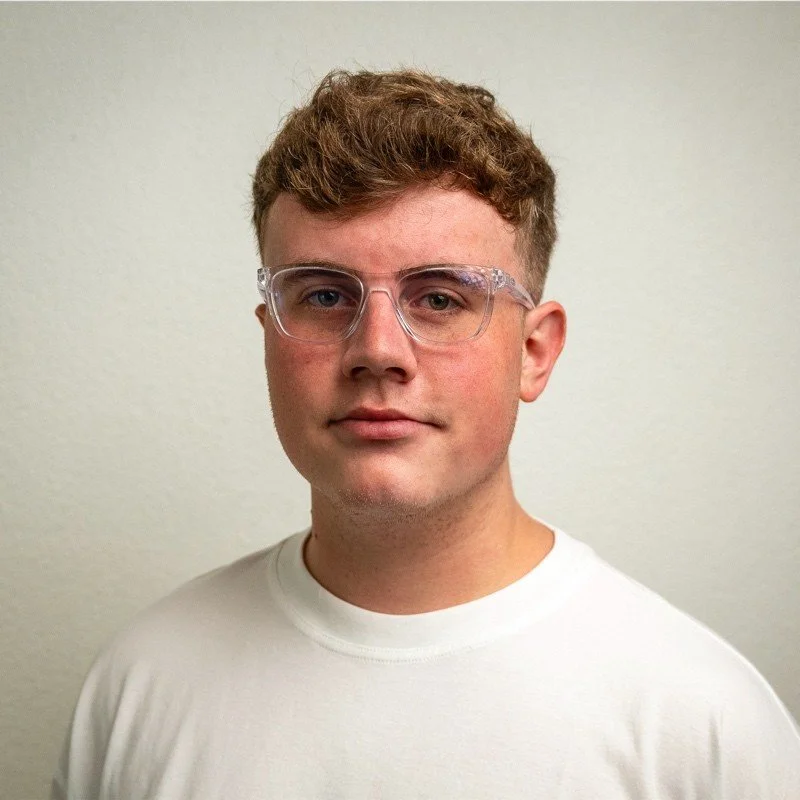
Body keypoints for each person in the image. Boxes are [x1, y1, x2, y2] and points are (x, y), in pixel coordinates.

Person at [52, 69, 800, 800]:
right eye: (321, 294)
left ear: (534, 354)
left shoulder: (703, 724)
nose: (377, 348)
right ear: (269, 338)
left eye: (440, 297)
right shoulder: (140, 686)